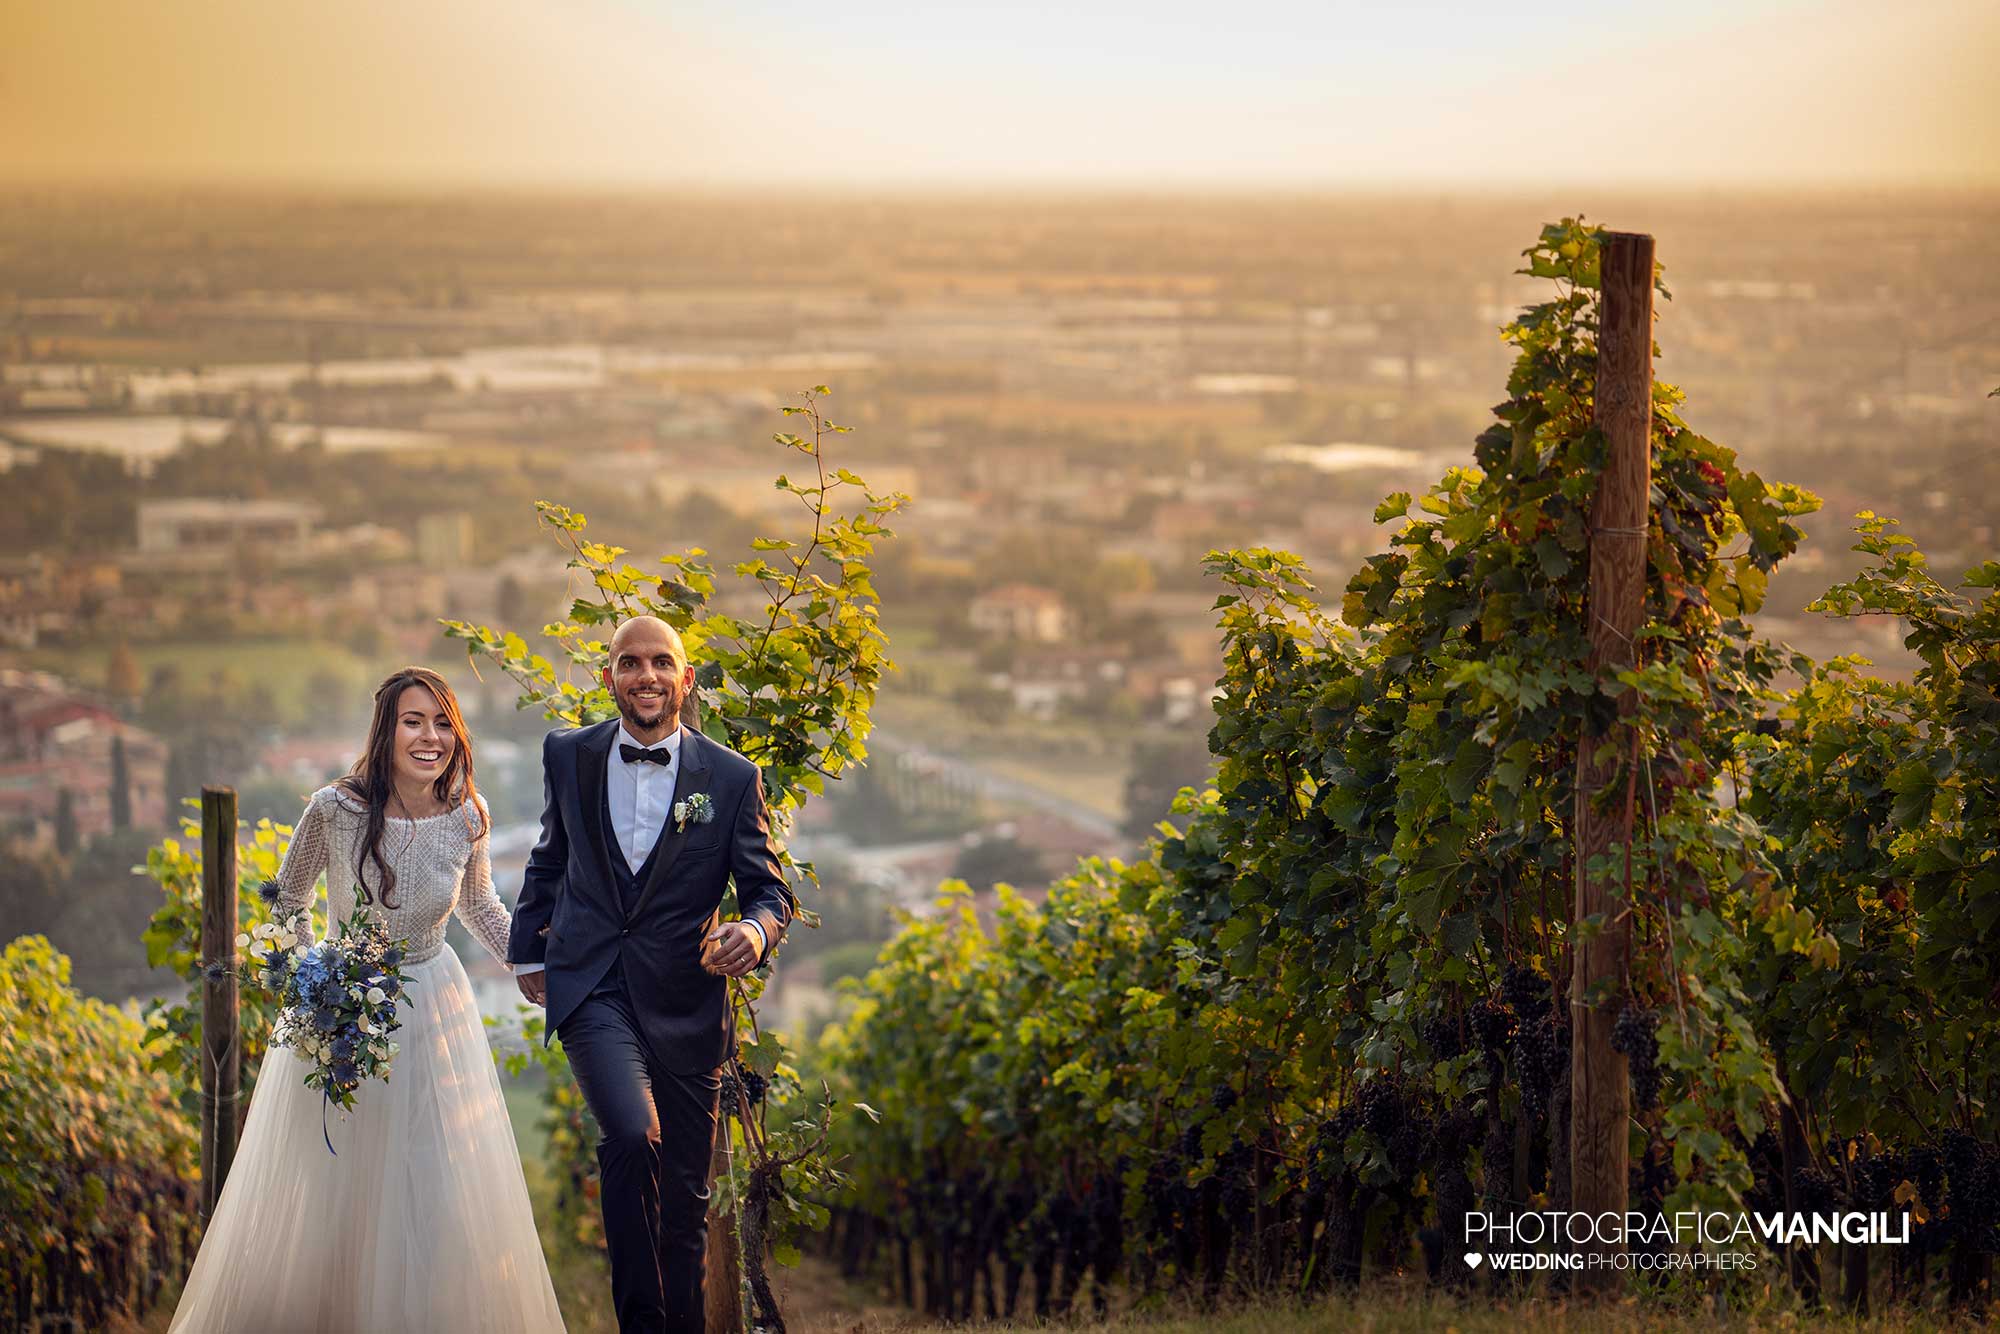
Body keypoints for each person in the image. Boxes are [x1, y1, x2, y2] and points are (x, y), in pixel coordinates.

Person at [168, 667, 564, 1334]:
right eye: (414, 721)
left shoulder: (470, 814)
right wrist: (312, 983)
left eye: (442, 723)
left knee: (432, 1179)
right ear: (386, 732)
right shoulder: (335, 810)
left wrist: (531, 962)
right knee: (337, 1183)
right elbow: (290, 901)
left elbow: (478, 906)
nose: (430, 736)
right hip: (345, 1010)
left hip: (435, 1006)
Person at [511, 615, 793, 1333]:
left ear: (685, 679)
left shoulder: (730, 778)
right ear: (609, 677)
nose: (646, 675)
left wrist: (753, 933)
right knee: (634, 1137)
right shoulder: (567, 754)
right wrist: (529, 948)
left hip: (686, 1000)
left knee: (687, 1202)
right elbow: (550, 855)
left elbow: (768, 889)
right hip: (593, 985)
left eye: (661, 662)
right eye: (630, 662)